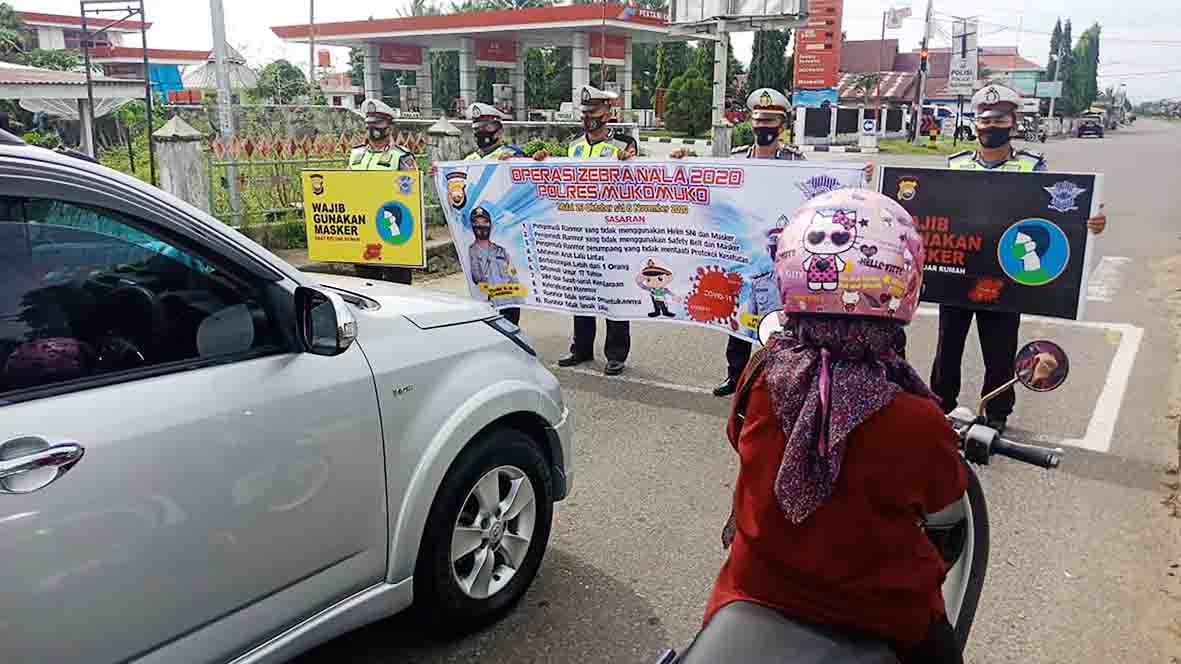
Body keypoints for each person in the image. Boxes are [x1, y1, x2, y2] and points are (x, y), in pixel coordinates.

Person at [705, 188, 968, 664]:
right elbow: (945, 508)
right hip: (877, 609)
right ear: (903, 283)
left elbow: (736, 439)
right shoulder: (916, 417)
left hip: (755, 583)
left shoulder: (764, 372)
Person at [672, 88, 874, 397]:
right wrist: (683, 164)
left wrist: (857, 177)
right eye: (758, 120)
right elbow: (712, 185)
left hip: (785, 256)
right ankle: (736, 377)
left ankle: (778, 380)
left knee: (781, 322)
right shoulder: (738, 159)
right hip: (745, 254)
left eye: (771, 121)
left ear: (781, 126)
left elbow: (821, 192)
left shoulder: (795, 161)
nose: (763, 127)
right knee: (740, 315)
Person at [931, 84, 1107, 433]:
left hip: (1007, 274)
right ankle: (939, 407)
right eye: (984, 119)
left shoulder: (1033, 167)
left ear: (1013, 123)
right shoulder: (956, 164)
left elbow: (1059, 214)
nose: (990, 126)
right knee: (947, 346)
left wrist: (1090, 222)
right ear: (974, 124)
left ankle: (996, 413)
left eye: (999, 119)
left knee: (1000, 350)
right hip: (958, 269)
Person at [533, 85, 634, 375]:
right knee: (582, 293)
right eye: (586, 112)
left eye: (595, 112)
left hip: (612, 233)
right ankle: (581, 348)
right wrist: (542, 164)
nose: (589, 117)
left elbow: (638, 181)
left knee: (614, 294)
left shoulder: (623, 146)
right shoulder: (574, 146)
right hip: (580, 234)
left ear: (608, 114)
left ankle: (616, 353)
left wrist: (631, 162)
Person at [350, 98, 419, 286]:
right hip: (363, 227)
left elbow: (411, 194)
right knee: (366, 283)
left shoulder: (402, 156)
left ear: (389, 128)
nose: (373, 128)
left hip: (391, 228)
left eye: (378, 124)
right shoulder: (356, 154)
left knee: (397, 284)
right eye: (370, 124)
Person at [467, 205, 524, 325]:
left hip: (511, 302)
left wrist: (519, 300)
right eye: (477, 223)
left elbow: (513, 275)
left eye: (484, 222)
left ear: (490, 225)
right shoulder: (472, 251)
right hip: (493, 305)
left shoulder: (501, 250)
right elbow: (476, 278)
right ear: (472, 226)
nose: (481, 226)